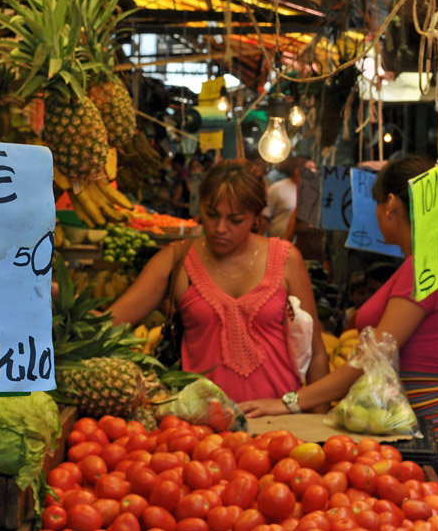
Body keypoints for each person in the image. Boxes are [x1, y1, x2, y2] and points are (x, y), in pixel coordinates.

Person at [240, 155, 438, 500]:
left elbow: (373, 355)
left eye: (376, 202)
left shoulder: (423, 270)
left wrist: (291, 402)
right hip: (429, 429)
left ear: (391, 204)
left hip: (416, 441)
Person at [108, 159, 330, 403]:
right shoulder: (177, 260)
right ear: (200, 206)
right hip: (199, 428)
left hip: (280, 427)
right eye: (211, 215)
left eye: (235, 220)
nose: (220, 228)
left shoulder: (287, 259)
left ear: (256, 217)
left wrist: (318, 427)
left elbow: (316, 352)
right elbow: (110, 323)